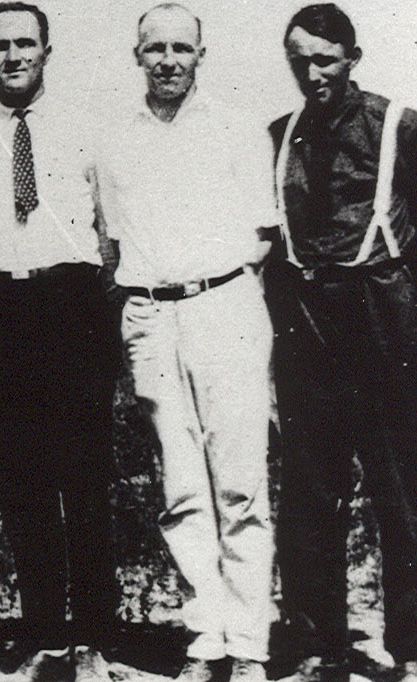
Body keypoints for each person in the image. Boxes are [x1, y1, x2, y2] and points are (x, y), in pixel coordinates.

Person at [94, 4, 277, 681]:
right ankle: (206, 636)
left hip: (224, 307)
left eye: (181, 48)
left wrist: (214, 281)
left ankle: (250, 645)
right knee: (180, 486)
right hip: (150, 316)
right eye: (155, 48)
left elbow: (263, 233)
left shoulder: (236, 129)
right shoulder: (114, 140)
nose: (168, 60)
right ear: (136, 55)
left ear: (201, 54)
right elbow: (110, 240)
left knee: (240, 486)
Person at [0, 4, 118, 680]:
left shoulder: (87, 129)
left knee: (86, 476)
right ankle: (45, 636)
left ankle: (95, 636)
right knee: (21, 479)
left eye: (25, 43)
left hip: (72, 305)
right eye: (0, 46)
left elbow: (109, 230)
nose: (13, 56)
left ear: (47, 50)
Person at [267, 5, 417, 681]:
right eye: (299, 60)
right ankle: (318, 643)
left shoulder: (397, 125)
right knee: (309, 486)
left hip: (385, 319)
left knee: (401, 485)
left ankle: (409, 646)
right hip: (308, 321)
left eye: (325, 59)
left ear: (352, 58)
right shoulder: (280, 134)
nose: (313, 73)